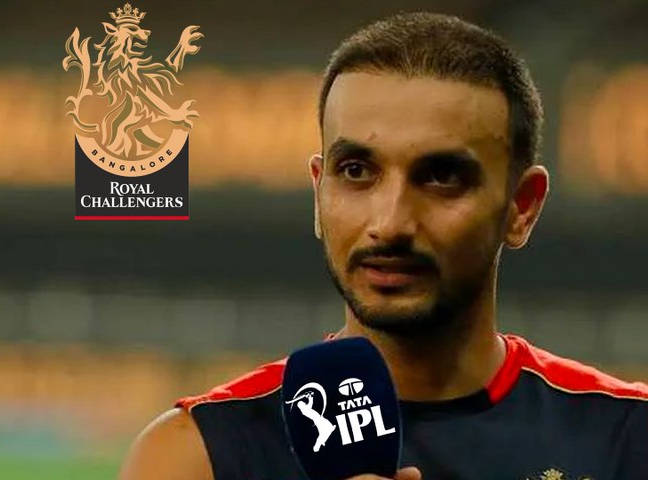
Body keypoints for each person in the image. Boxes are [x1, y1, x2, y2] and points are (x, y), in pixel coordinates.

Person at [117, 12, 648, 480]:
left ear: (521, 207)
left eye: (441, 177)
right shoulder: (196, 455)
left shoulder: (630, 438)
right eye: (356, 171)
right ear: (319, 192)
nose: (390, 223)